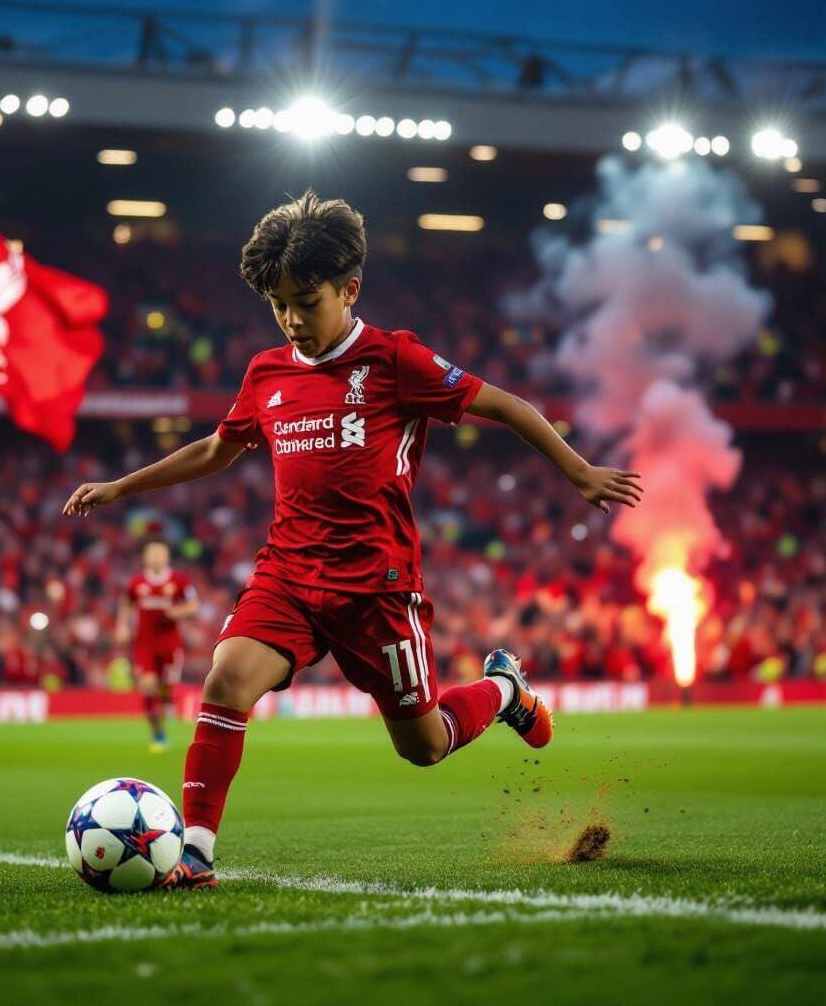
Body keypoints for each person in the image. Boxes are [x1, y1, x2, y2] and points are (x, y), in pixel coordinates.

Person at [63, 191, 642, 888]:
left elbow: (506, 405)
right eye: (278, 304)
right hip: (287, 577)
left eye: (306, 301)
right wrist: (123, 487)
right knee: (225, 679)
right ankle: (195, 855)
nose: (291, 318)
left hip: (377, 588)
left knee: (424, 746)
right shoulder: (266, 373)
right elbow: (218, 448)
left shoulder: (396, 360)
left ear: (349, 289)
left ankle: (502, 687)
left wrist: (579, 473)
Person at [116, 539, 199, 752]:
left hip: (170, 643)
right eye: (152, 553)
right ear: (145, 557)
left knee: (165, 692)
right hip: (145, 643)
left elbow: (193, 604)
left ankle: (164, 713)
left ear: (166, 556)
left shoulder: (179, 580)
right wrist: (122, 626)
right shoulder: (136, 583)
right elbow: (126, 604)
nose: (156, 557)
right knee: (148, 685)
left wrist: (178, 612)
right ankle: (158, 733)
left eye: (160, 553)